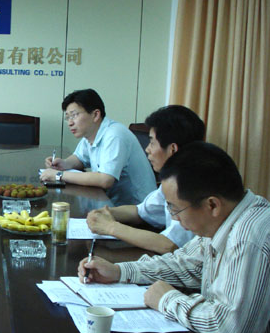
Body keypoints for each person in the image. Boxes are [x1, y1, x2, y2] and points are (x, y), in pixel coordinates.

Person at [78, 142, 270, 333]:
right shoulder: (229, 216)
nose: (174, 218)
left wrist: (167, 299)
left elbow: (230, 326)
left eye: (175, 209)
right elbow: (186, 264)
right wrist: (119, 271)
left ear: (212, 205)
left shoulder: (248, 239)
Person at [85, 105, 205, 253]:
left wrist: (110, 227)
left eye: (152, 142)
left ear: (172, 149)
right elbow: (140, 211)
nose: (147, 149)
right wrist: (105, 213)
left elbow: (169, 245)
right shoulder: (173, 178)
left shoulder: (192, 184)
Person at [40, 89, 156, 206]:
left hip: (138, 209)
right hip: (110, 202)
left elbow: (105, 180)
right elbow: (80, 158)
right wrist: (64, 163)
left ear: (95, 115)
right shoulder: (90, 134)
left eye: (74, 115)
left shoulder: (114, 135)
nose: (70, 123)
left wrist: (59, 175)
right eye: (68, 117)